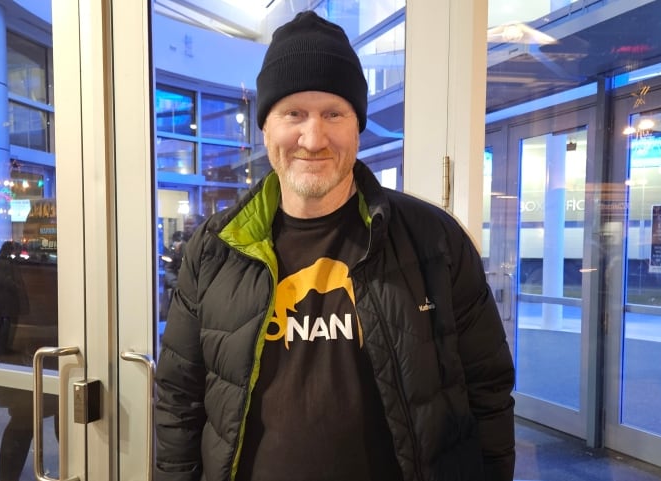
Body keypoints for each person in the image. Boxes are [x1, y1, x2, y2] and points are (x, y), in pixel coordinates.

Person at [154, 10, 515, 481]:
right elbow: (178, 401)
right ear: (266, 127)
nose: (313, 137)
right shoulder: (215, 249)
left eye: (333, 114)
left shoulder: (434, 241)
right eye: (294, 114)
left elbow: (488, 391)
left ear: (357, 126)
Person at [0, 240, 58, 481]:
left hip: (33, 347)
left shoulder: (14, 267)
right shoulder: (32, 267)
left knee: (26, 421)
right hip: (35, 347)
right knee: (27, 420)